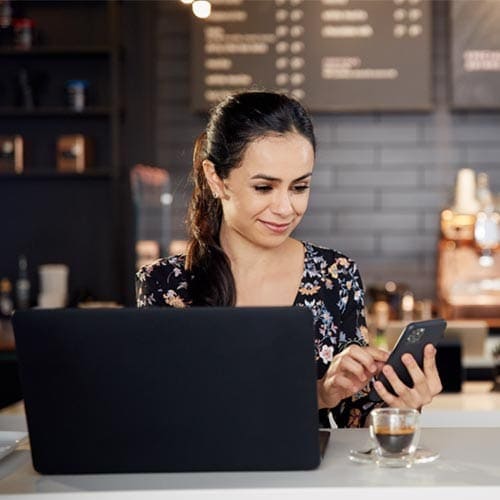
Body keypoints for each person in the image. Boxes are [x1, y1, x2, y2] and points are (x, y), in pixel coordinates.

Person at [136, 91, 442, 428]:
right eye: (264, 188)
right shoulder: (163, 284)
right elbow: (165, 414)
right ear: (216, 179)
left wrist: (401, 406)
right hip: (203, 479)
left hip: (308, 479)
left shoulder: (334, 276)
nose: (285, 208)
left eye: (299, 187)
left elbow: (354, 420)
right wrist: (315, 394)